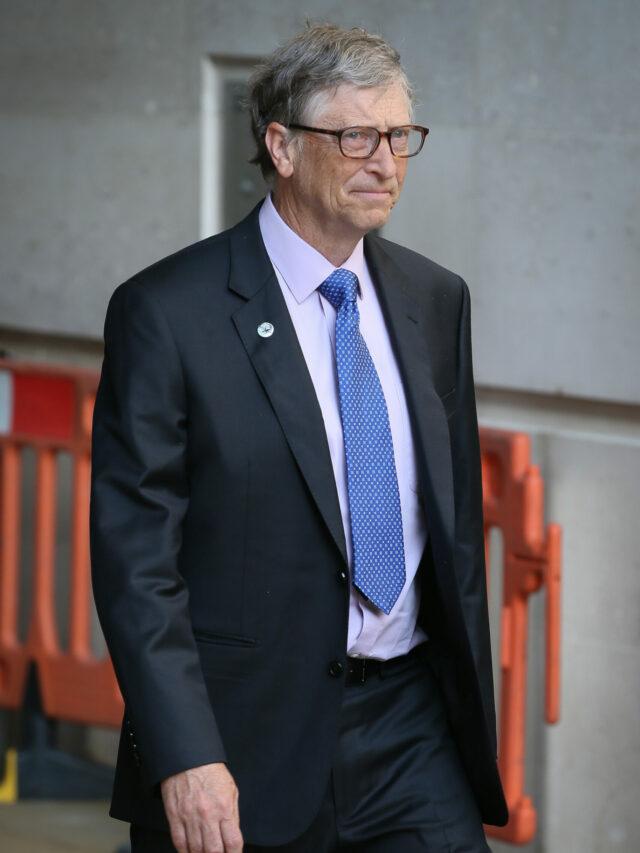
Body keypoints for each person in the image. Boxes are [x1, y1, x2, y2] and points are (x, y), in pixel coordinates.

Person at [90, 23, 508, 853]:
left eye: (398, 137)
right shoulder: (169, 313)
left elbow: (453, 531)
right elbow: (137, 561)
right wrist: (186, 752)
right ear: (280, 145)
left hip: (410, 730)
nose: (384, 162)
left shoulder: (436, 299)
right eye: (356, 135)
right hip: (243, 743)